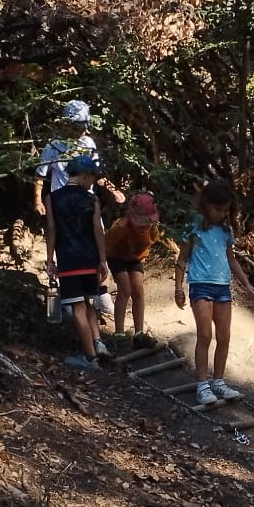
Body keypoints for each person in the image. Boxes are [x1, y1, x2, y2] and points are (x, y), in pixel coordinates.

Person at [174, 178, 254, 405]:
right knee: (205, 334)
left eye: (225, 210)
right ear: (206, 204)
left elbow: (231, 260)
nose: (222, 214)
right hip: (200, 284)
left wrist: (247, 285)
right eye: (217, 209)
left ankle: (219, 381)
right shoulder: (194, 226)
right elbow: (182, 258)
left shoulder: (225, 230)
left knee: (224, 336)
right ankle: (202, 384)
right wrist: (178, 287)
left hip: (222, 287)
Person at [34, 100, 118, 332]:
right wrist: (38, 200)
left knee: (95, 242)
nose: (82, 129)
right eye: (78, 125)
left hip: (86, 204)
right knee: (66, 245)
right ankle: (71, 297)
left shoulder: (88, 143)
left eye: (84, 124)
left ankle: (100, 293)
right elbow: (40, 175)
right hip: (62, 205)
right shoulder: (53, 147)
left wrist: (113, 190)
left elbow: (97, 174)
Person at [44, 154, 112, 371]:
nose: (92, 182)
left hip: (68, 258)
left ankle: (90, 358)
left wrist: (50, 259)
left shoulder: (52, 198)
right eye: (91, 178)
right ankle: (98, 342)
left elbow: (51, 229)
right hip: (90, 257)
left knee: (78, 307)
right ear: (84, 175)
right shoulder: (91, 199)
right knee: (88, 302)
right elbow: (98, 230)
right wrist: (102, 260)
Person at [104, 191, 166, 346]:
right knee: (125, 289)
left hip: (135, 258)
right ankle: (119, 332)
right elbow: (105, 246)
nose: (143, 227)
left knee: (138, 290)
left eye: (146, 223)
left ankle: (139, 333)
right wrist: (101, 267)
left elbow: (153, 241)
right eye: (140, 224)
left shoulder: (153, 228)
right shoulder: (120, 227)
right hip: (116, 257)